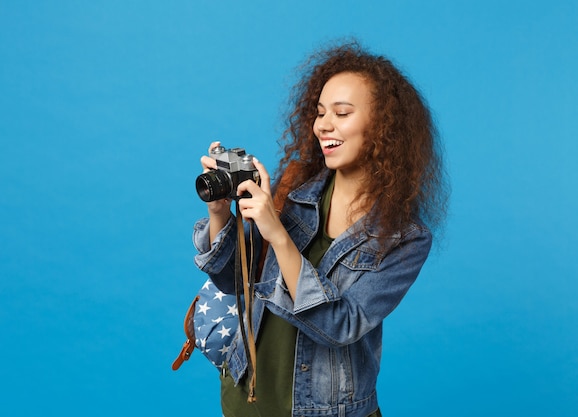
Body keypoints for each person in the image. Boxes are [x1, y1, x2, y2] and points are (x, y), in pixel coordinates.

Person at [192, 40, 448, 417]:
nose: (324, 125)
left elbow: (340, 325)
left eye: (342, 113)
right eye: (320, 112)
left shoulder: (404, 237)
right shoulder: (294, 191)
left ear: (383, 127)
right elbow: (235, 281)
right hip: (247, 399)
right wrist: (218, 212)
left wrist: (277, 234)